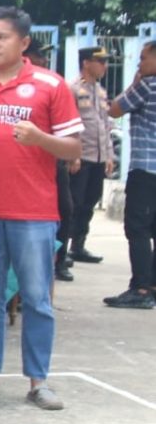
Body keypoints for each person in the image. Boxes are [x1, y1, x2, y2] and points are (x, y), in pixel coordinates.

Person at [0, 8, 82, 410]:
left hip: (34, 213)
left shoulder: (51, 85)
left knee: (37, 298)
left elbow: (74, 149)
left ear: (23, 42)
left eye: (2, 37)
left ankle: (38, 381)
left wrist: (40, 138)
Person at [105, 39, 156, 309]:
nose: (139, 64)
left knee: (137, 228)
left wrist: (134, 83)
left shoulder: (147, 86)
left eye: (144, 58)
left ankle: (141, 288)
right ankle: (153, 285)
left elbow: (114, 109)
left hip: (146, 170)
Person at [24, 39, 77, 283]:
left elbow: (72, 140)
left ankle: (59, 260)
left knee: (65, 210)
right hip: (12, 174)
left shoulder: (52, 84)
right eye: (39, 54)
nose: (43, 60)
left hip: (50, 164)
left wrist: (42, 140)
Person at [68, 46, 116, 265]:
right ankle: (62, 250)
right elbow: (71, 124)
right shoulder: (73, 89)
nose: (105, 66)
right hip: (81, 156)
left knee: (89, 204)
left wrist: (109, 155)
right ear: (86, 63)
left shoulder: (100, 91)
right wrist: (73, 155)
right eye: (101, 62)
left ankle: (79, 245)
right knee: (74, 204)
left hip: (98, 157)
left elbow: (105, 125)